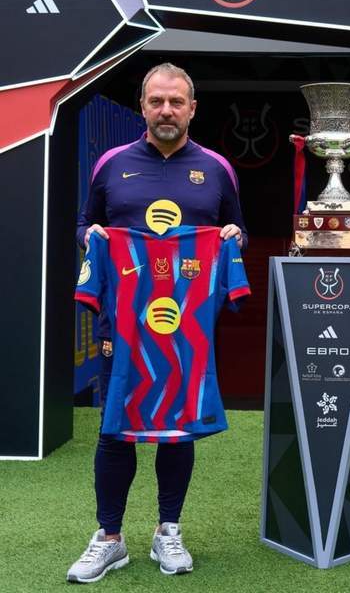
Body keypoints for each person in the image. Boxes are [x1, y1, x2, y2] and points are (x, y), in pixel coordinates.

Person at [67, 63, 247, 583]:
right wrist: (91, 238)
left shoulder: (216, 168)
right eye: (156, 101)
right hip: (123, 326)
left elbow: (239, 230)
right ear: (142, 107)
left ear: (192, 108)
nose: (166, 111)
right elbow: (84, 222)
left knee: (176, 429)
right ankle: (110, 538)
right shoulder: (112, 163)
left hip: (183, 326)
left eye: (176, 102)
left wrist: (233, 237)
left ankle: (168, 529)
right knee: (114, 431)